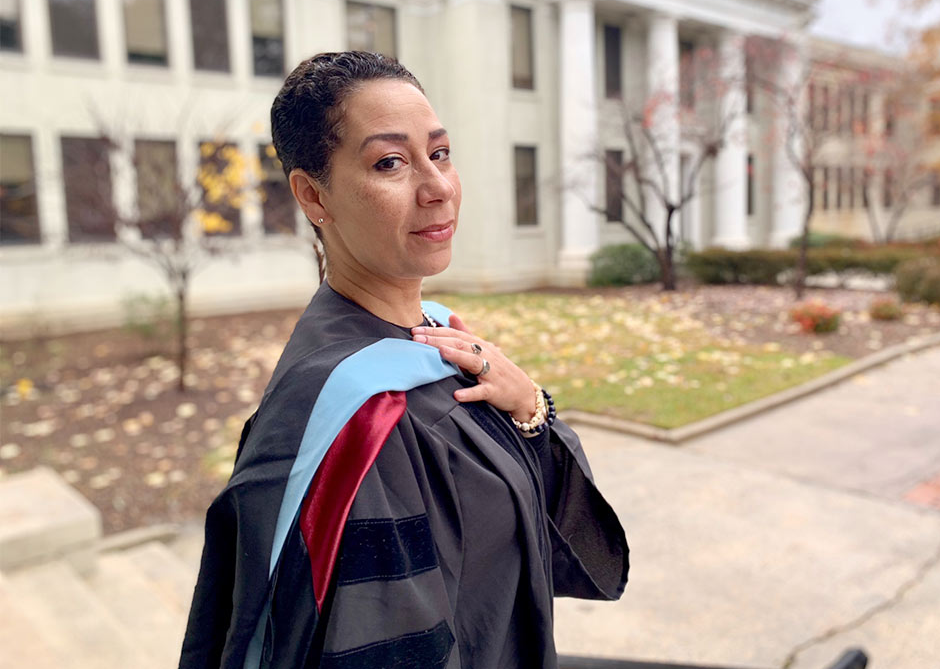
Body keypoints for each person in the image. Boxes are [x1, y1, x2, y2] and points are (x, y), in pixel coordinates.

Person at [179, 51, 628, 669]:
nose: (438, 186)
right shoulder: (361, 425)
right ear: (314, 195)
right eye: (390, 162)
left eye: (439, 153)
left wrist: (530, 409)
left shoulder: (438, 341)